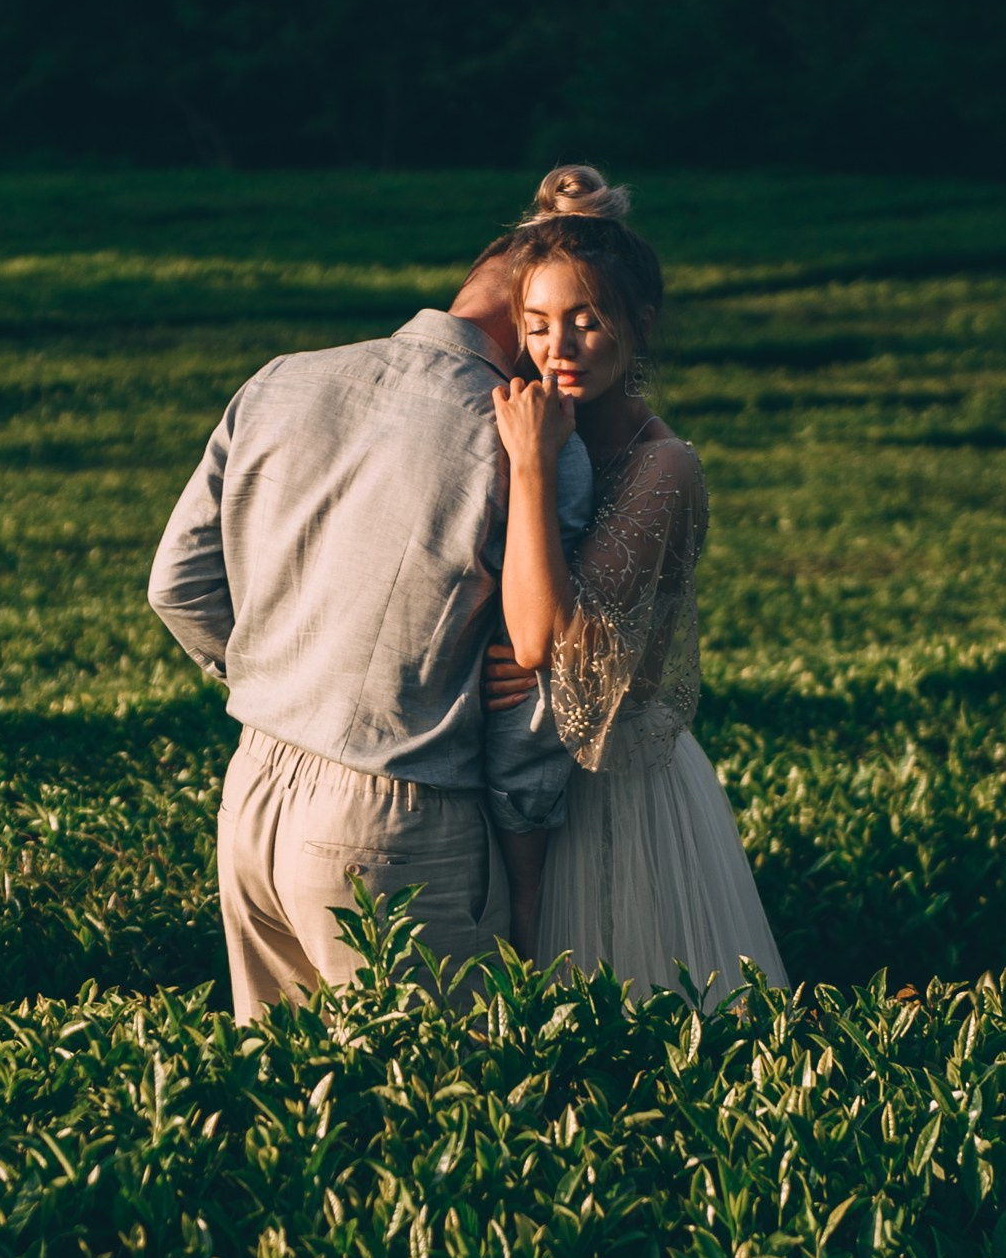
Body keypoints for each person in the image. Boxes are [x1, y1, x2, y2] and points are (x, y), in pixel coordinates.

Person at [148, 238, 590, 1019]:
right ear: (528, 316)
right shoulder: (533, 448)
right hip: (400, 819)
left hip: (253, 786)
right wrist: (528, 883)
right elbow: (526, 689)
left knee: (293, 1107)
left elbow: (177, 586)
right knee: (442, 1115)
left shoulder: (281, 378)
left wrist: (285, 681)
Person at [486, 167, 784, 1008]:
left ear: (638, 325)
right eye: (538, 324)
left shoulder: (663, 465)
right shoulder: (539, 420)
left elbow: (541, 639)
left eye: (587, 320)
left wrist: (533, 464)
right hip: (536, 772)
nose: (560, 347)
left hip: (620, 791)